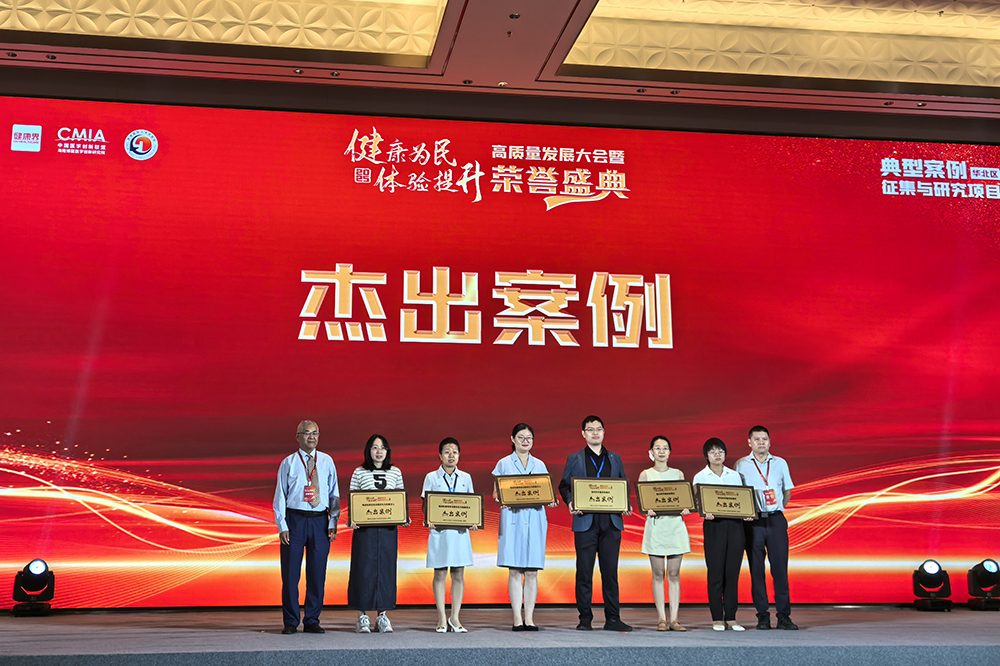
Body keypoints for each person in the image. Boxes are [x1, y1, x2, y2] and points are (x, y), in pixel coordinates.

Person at [558, 415, 632, 632]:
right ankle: (585, 619)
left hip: (610, 522)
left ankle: (613, 619)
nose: (595, 433)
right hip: (585, 522)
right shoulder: (575, 458)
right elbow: (564, 485)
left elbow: (622, 485)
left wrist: (625, 503)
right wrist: (571, 502)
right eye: (590, 429)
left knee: (610, 573)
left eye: (598, 429)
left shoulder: (615, 458)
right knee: (584, 572)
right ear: (583, 433)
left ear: (604, 432)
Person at [273, 420, 340, 634]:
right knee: (290, 574)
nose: (312, 437)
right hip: (295, 521)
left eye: (315, 433)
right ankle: (291, 621)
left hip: (320, 521)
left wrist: (333, 521)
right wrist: (282, 525)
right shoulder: (288, 462)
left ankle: (312, 619)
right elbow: (280, 496)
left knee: (317, 573)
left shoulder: (327, 461)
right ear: (298, 437)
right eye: (307, 433)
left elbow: (334, 494)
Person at [492, 423, 558, 631]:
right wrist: (502, 498)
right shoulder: (503, 463)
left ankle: (529, 618)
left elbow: (546, 492)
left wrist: (551, 500)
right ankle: (516, 618)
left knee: (531, 572)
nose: (525, 441)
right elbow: (496, 493)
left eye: (529, 437)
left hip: (535, 519)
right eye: (521, 437)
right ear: (512, 439)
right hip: (513, 519)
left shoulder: (540, 464)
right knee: (514, 570)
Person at [735, 425, 798, 630]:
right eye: (757, 439)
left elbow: (787, 492)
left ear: (770, 442)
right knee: (756, 570)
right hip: (752, 522)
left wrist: (776, 508)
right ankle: (762, 615)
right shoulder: (741, 464)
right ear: (749, 442)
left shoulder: (780, 463)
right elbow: (737, 494)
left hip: (776, 520)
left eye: (764, 439)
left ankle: (784, 616)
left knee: (780, 569)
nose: (761, 442)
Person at [347, 434, 407, 634]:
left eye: (382, 447)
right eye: (374, 447)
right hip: (365, 530)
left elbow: (399, 498)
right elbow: (353, 499)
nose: (379, 451)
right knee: (362, 570)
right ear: (368, 451)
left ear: (387, 451)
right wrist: (353, 518)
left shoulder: (395, 472)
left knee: (386, 570)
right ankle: (362, 617)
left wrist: (403, 516)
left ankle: (382, 616)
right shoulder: (359, 472)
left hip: (388, 531)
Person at [692, 437, 748, 631]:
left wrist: (747, 512)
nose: (717, 455)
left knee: (732, 573)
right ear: (706, 456)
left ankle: (731, 617)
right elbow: (697, 502)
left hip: (735, 526)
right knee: (715, 573)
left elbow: (742, 500)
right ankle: (717, 618)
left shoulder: (735, 475)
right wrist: (703, 511)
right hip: (714, 526)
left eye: (720, 451)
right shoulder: (701, 476)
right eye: (713, 452)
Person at [422, 437, 476, 633]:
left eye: (455, 452)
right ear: (440, 455)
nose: (451, 455)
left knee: (458, 574)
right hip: (440, 533)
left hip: (460, 533)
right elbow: (426, 505)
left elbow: (471, 505)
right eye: (447, 452)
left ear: (459, 455)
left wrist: (474, 521)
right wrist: (429, 519)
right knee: (440, 573)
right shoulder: (431, 477)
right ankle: (441, 618)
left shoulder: (466, 478)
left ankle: (455, 618)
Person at [638, 435, 691, 631]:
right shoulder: (646, 474)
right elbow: (643, 503)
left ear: (670, 452)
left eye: (665, 448)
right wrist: (647, 509)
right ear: (651, 452)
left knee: (674, 574)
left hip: (675, 527)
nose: (661, 451)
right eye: (657, 448)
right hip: (656, 527)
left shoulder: (678, 474)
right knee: (658, 573)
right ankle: (661, 618)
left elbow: (684, 500)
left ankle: (675, 619)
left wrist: (686, 507)